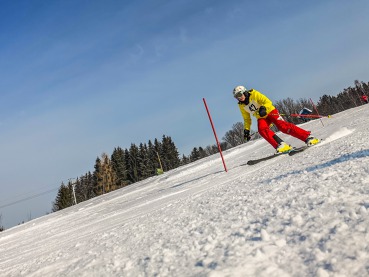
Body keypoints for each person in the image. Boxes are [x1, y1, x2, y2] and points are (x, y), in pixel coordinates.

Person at [233, 85, 320, 153]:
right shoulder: (241, 105)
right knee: (262, 130)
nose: (239, 97)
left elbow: (267, 101)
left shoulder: (254, 94)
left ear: (244, 92)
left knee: (283, 127)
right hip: (261, 117)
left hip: (270, 111)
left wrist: (263, 108)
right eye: (236, 96)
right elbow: (247, 119)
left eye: (239, 94)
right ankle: (281, 145)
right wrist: (246, 130)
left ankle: (308, 137)